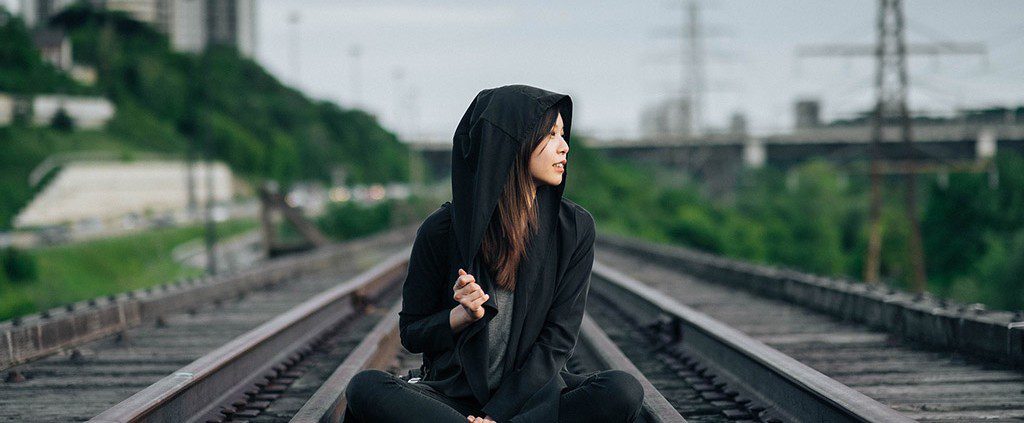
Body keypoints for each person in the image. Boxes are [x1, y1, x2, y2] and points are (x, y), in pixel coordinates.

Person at [343, 85, 644, 423]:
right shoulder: (441, 231)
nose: (565, 146)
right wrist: (459, 318)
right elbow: (412, 332)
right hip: (450, 399)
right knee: (364, 387)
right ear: (513, 143)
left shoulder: (573, 228)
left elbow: (557, 341)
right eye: (551, 135)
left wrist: (497, 416)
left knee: (623, 390)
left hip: (530, 404)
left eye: (563, 133)